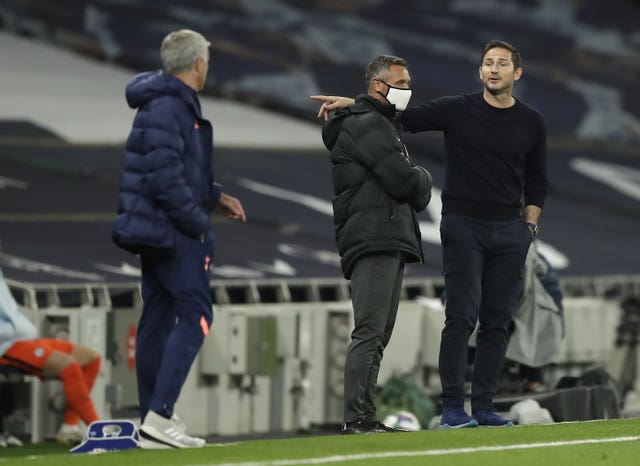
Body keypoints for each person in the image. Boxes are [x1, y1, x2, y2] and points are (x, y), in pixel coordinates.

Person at [312, 40, 548, 428]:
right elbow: (394, 117)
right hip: (463, 224)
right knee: (460, 317)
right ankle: (453, 408)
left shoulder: (531, 121)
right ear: (480, 70)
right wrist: (353, 104)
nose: (493, 69)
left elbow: (538, 179)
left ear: (516, 74)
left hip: (510, 229)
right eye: (487, 62)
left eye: (502, 64)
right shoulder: (457, 108)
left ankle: (485, 407)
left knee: (498, 321)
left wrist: (529, 226)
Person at [111, 29, 246, 448]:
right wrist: (197, 222)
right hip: (172, 232)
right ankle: (160, 414)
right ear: (198, 64)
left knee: (157, 318)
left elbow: (181, 169)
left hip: (155, 230)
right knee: (196, 316)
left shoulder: (164, 102)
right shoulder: (171, 107)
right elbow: (165, 177)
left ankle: (152, 419)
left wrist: (214, 196)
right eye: (208, 59)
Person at [321, 54, 433, 434]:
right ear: (378, 87)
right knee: (369, 332)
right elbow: (407, 185)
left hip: (383, 236)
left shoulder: (372, 121)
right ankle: (357, 419)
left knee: (377, 334)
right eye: (401, 84)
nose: (407, 91)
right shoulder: (371, 125)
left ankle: (364, 417)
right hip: (374, 236)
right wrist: (425, 176)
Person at [0, 267, 101, 445]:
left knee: (90, 357)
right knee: (68, 365)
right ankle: (99, 429)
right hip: (5, 344)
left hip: (23, 339)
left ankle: (70, 427)